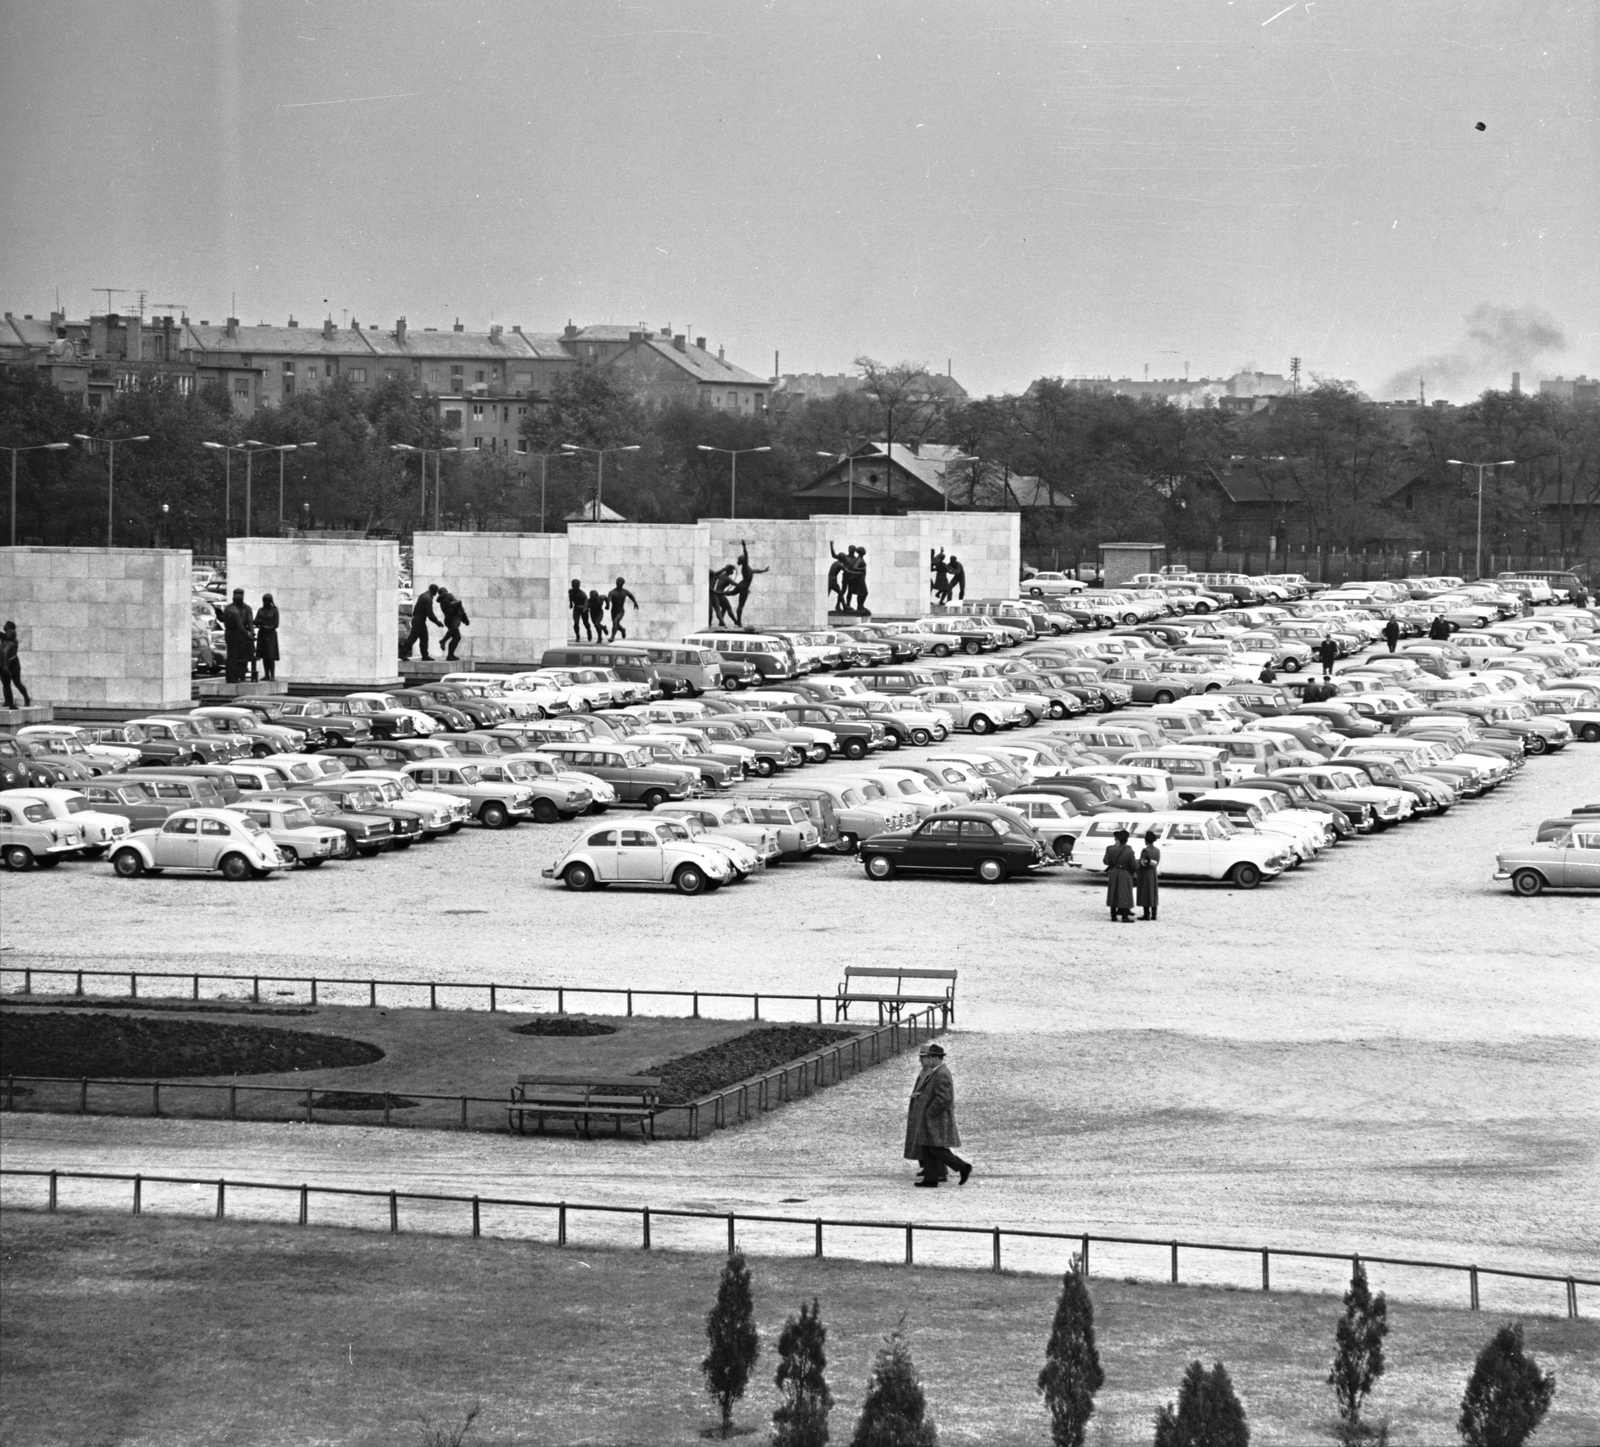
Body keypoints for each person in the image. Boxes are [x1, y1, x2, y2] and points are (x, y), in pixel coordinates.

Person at [902, 1043, 970, 1188]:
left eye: (930, 1058)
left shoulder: (941, 1073)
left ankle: (963, 1167)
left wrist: (930, 1112)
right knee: (927, 1147)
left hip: (936, 1119)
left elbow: (944, 1098)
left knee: (935, 1148)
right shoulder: (937, 1072)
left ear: (935, 1058)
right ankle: (931, 1178)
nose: (928, 1061)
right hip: (931, 1118)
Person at [729, 540, 767, 627]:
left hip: (743, 586)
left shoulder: (748, 568)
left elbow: (756, 570)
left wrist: (764, 570)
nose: (746, 559)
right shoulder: (745, 567)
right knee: (740, 605)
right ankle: (738, 623)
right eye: (744, 559)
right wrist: (744, 546)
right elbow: (746, 555)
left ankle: (719, 592)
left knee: (731, 595)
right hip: (743, 587)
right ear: (743, 560)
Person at [221, 588, 256, 683]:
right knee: (233, 657)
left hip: (236, 634)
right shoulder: (234, 611)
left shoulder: (245, 608)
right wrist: (249, 636)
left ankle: (240, 675)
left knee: (241, 656)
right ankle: (232, 677)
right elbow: (239, 626)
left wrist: (252, 632)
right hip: (236, 633)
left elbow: (250, 621)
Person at [1103, 827, 1136, 923]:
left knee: (1113, 892)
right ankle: (1124, 917)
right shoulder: (1129, 850)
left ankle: (1113, 916)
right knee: (1125, 893)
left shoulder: (1111, 849)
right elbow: (1133, 865)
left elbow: (1107, 862)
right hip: (1124, 873)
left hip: (1114, 872)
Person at [402, 584, 442, 661]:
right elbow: (430, 613)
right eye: (436, 591)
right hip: (419, 621)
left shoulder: (423, 595)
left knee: (424, 638)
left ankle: (425, 656)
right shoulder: (428, 598)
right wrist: (437, 622)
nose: (436, 593)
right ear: (434, 590)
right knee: (413, 638)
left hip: (418, 620)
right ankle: (403, 653)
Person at [1, 620, 30, 708]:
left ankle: (26, 698)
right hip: (5, 661)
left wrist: (6, 665)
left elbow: (8, 652)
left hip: (13, 663)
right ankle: (8, 701)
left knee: (17, 682)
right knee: (5, 683)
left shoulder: (14, 641)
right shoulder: (3, 636)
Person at [1136, 828, 1162, 921]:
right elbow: (1156, 862)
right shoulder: (1157, 850)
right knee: (1153, 893)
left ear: (1146, 840)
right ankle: (1154, 914)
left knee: (1145, 893)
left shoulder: (1145, 851)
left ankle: (1146, 914)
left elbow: (1142, 863)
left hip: (1145, 874)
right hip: (1153, 873)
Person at [254, 594, 280, 682]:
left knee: (270, 655)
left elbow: (276, 624)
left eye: (266, 601)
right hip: (262, 634)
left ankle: (272, 675)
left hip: (271, 635)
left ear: (270, 601)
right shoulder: (260, 610)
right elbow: (255, 621)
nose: (265, 603)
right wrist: (258, 621)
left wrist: (268, 628)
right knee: (264, 656)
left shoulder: (274, 611)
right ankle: (266, 675)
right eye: (263, 601)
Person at [439, 589, 470, 661]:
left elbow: (457, 606)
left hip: (449, 619)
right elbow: (459, 603)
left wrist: (464, 619)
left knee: (456, 638)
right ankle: (443, 640)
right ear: (445, 591)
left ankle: (450, 655)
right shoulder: (448, 596)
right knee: (454, 628)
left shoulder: (442, 600)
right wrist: (465, 618)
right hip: (454, 618)